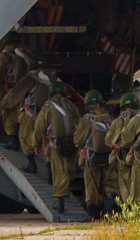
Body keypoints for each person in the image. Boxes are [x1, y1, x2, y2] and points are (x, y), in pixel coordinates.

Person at [40, 81, 80, 214]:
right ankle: (68, 188)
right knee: (69, 170)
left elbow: (39, 126)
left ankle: (60, 202)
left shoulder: (48, 106)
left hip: (57, 145)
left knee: (59, 172)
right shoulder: (71, 106)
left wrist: (35, 144)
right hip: (72, 144)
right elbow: (79, 122)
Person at [75, 89, 115, 219]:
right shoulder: (110, 118)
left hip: (91, 158)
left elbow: (77, 141)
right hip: (108, 157)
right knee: (110, 183)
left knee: (92, 184)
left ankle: (93, 212)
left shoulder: (86, 120)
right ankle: (112, 210)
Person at [106, 92, 140, 206]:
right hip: (138, 157)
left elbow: (108, 141)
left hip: (123, 158)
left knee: (125, 185)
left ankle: (129, 209)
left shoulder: (118, 121)